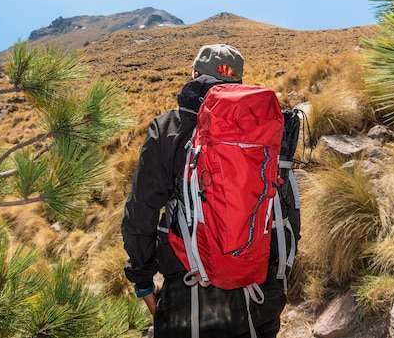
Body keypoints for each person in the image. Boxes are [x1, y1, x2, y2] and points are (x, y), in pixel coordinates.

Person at [121, 44, 287, 338]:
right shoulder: (269, 127)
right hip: (260, 287)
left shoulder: (169, 127)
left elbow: (140, 212)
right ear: (238, 81)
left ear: (194, 74)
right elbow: (284, 207)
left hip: (191, 290)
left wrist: (143, 279)